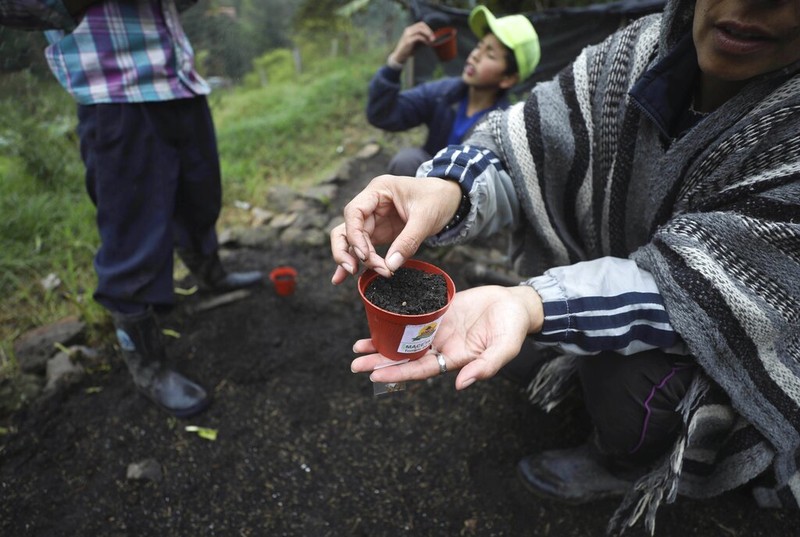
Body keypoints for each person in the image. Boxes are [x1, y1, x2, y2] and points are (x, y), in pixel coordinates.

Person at [331, 0, 800, 532]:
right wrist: (446, 188)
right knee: (518, 340)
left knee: (616, 368)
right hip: (591, 277)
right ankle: (573, 361)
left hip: (737, 342)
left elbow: (701, 289)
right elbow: (526, 145)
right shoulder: (633, 56)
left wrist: (532, 302)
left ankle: (620, 461)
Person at [1, 0, 263, 418]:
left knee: (200, 198)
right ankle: (148, 365)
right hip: (115, 94)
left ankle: (211, 275)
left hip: (181, 83)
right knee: (134, 235)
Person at [366, 5, 540, 176]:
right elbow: (382, 114)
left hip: (468, 200)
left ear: (508, 79)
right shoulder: (444, 94)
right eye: (479, 46)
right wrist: (397, 60)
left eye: (490, 55)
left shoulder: (504, 127)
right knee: (407, 160)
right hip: (424, 185)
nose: (475, 55)